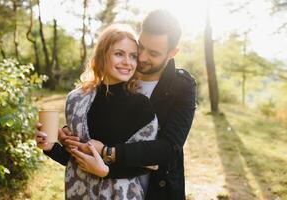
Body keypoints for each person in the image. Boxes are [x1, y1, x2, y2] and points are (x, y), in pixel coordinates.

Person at [60, 10, 197, 200]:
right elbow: (100, 120)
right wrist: (72, 132)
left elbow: (168, 148)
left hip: (158, 188)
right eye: (141, 47)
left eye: (154, 53)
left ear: (172, 53)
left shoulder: (182, 86)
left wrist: (107, 153)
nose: (141, 58)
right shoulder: (121, 73)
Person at [35, 24, 159, 199]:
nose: (127, 62)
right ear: (102, 56)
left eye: (133, 56)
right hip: (78, 193)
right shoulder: (76, 100)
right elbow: (75, 161)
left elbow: (148, 163)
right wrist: (50, 148)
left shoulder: (141, 105)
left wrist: (106, 171)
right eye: (119, 54)